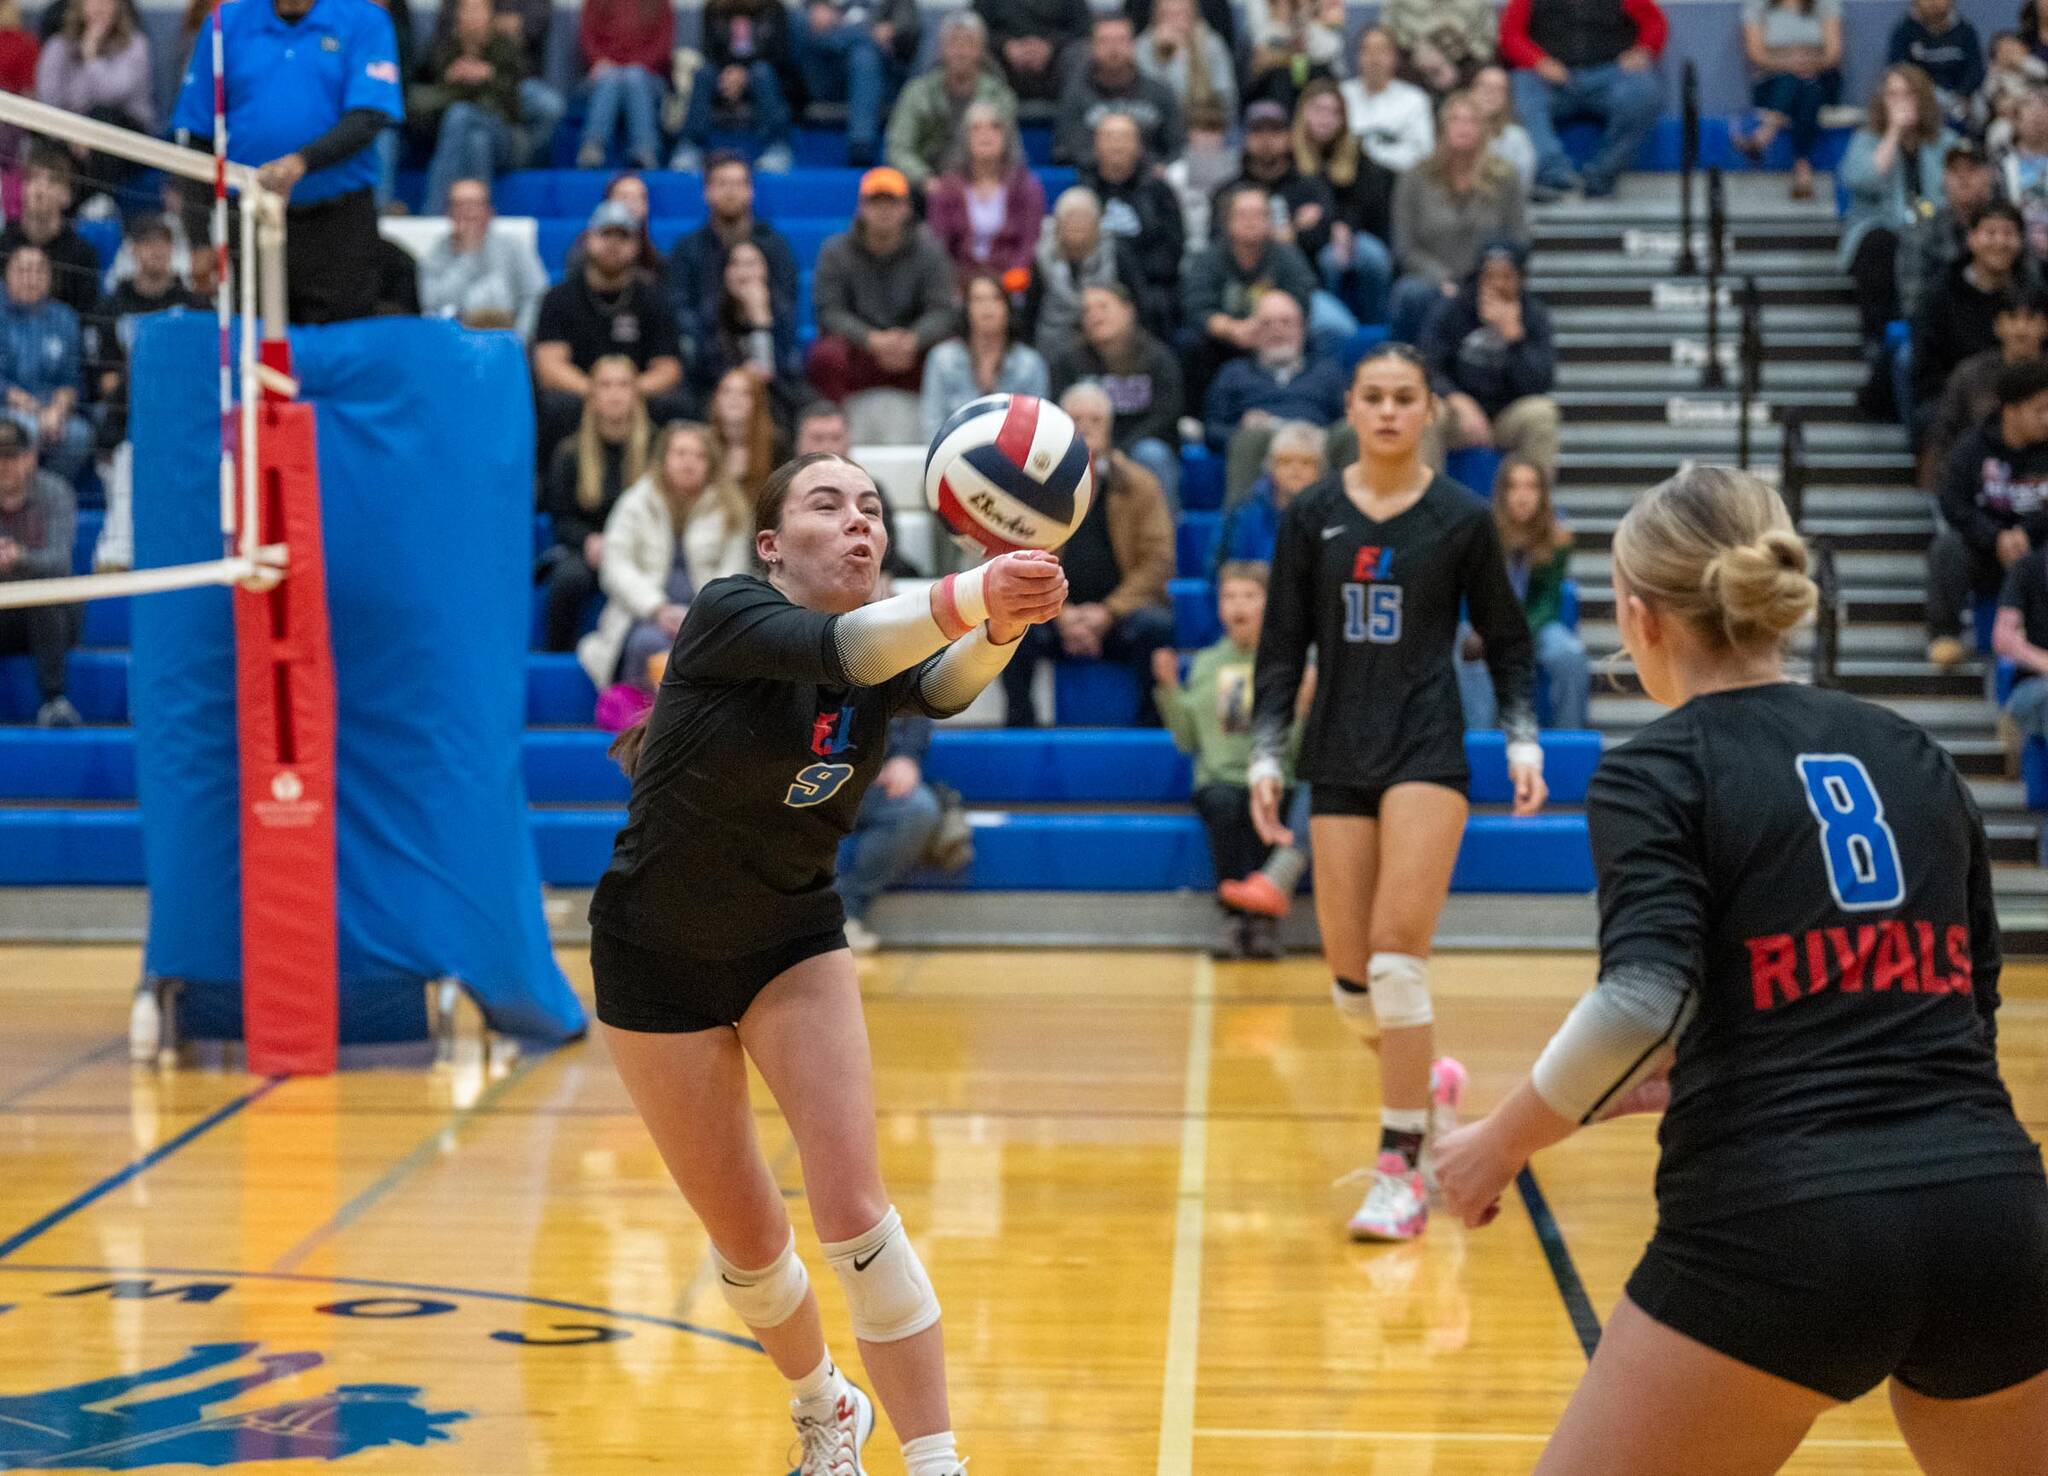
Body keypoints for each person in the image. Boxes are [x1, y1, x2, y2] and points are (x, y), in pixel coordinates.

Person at [1433, 465, 2048, 1476]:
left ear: (1638, 617)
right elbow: (1957, 1001)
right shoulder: (1909, 749)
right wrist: (1744, 1050)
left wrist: (1496, 1146)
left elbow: (1642, 1001)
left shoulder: (1657, 766)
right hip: (1990, 1214)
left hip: (1779, 1229)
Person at [591, 454, 1065, 1476]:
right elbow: (851, 645)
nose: (859, 521)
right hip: (650, 956)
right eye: (826, 504)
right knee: (752, 1249)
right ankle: (823, 1410)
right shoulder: (726, 611)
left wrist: (1006, 618)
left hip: (787, 939)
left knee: (854, 1212)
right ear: (771, 546)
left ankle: (935, 1462)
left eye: (870, 509)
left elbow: (939, 681)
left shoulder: (886, 646)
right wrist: (973, 591)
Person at [1247, 341, 1545, 1242]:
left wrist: (1522, 739)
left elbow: (1508, 637)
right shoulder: (1313, 515)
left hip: (1427, 750)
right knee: (1351, 990)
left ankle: (1400, 1171)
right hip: (1337, 749)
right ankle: (1429, 1086)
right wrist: (1267, 751)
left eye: (1402, 397)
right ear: (1351, 407)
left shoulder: (1460, 517)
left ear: (1428, 411)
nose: (1385, 411)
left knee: (1394, 961)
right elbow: (1279, 647)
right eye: (1371, 397)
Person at [170, 0, 402, 327]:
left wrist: (300, 163)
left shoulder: (364, 19)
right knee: (255, 348)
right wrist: (198, 240)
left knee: (341, 350)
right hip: (252, 217)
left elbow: (368, 117)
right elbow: (197, 135)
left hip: (339, 223)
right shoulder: (224, 24)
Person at [1155, 561, 1310, 960]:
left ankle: (1262, 922)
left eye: (1249, 596)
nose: (1238, 605)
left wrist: (1305, 708)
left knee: (1268, 804)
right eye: (1229, 596)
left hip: (1277, 776)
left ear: (1268, 604)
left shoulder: (1290, 663)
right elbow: (1188, 739)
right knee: (1226, 803)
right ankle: (1234, 917)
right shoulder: (1208, 662)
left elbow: (1301, 748)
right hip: (1220, 779)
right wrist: (1170, 689)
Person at [1000, 382, 1174, 727]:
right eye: (1077, 418)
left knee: (1156, 626)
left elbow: (1159, 561)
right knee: (1010, 624)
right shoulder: (1031, 486)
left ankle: (1149, 728)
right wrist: (1061, 613)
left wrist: (1107, 613)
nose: (1087, 426)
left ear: (1110, 427)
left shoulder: (1141, 484)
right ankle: (1020, 726)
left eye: (1096, 418)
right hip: (1050, 616)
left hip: (1120, 618)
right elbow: (1017, 555)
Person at [575, 421, 753, 697]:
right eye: (680, 453)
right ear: (664, 458)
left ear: (711, 463)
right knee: (646, 643)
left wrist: (699, 612)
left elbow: (735, 570)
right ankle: (641, 724)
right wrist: (657, 607)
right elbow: (616, 565)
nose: (689, 462)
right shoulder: (635, 502)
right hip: (644, 613)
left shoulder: (730, 507)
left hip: (708, 615)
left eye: (699, 455)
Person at [532, 199, 687, 459]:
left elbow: (668, 367)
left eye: (623, 236)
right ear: (588, 240)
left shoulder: (653, 299)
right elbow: (549, 366)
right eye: (606, 234)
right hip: (580, 392)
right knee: (555, 406)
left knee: (676, 406)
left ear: (636, 245)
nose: (613, 244)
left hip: (636, 394)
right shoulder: (559, 298)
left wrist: (625, 391)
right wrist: (600, 392)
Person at [1927, 358, 2048, 670]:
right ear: (2011, 409)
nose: (2047, 419)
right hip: (1987, 553)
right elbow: (1951, 502)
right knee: (1948, 548)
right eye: (2040, 410)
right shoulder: (1973, 446)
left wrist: (2026, 532)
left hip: (2038, 554)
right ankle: (1945, 636)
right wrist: (1995, 536)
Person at [1455, 456, 1587, 729]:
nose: (1523, 496)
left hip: (1536, 626)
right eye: (1514, 487)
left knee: (1570, 654)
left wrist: (1514, 633)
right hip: (1486, 624)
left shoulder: (1558, 537)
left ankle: (1569, 740)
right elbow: (1471, 596)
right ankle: (1479, 740)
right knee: (1467, 647)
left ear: (1542, 493)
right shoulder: (1482, 532)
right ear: (1502, 493)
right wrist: (1491, 631)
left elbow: (1549, 602)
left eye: (1531, 487)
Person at [1389, 91, 1531, 345]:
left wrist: (1486, 280)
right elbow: (1405, 246)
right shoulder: (1414, 177)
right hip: (1431, 279)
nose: (1462, 127)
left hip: (1489, 279)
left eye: (1471, 121)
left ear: (1483, 129)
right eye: (1455, 120)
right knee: (1410, 293)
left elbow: (1518, 238)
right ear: (1442, 128)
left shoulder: (1505, 177)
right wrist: (1442, 279)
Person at [807, 167, 959, 403]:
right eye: (875, 203)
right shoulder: (834, 251)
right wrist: (870, 340)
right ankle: (831, 429)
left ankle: (947, 433)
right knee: (826, 356)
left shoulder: (930, 252)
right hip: (859, 350)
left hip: (913, 352)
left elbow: (942, 310)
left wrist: (914, 339)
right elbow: (829, 311)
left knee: (950, 355)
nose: (884, 210)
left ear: (907, 208)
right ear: (861, 208)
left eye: (892, 202)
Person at [1841, 64, 1955, 358]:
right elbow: (1862, 179)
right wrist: (1893, 132)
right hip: (1881, 231)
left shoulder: (1946, 143)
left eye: (1909, 94)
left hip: (1933, 230)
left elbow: (1955, 194)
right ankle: (1879, 341)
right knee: (1880, 244)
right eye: (1893, 95)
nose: (1901, 102)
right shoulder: (1866, 141)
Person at [1418, 239, 1560, 476]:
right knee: (1428, 411)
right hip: (1459, 414)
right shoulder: (1453, 309)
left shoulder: (1534, 314)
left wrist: (1515, 339)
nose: (1497, 284)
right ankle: (1425, 500)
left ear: (1521, 279)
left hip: (1507, 415)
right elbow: (1427, 367)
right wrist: (1456, 399)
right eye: (1490, 276)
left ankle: (1537, 506)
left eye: (1506, 276)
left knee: (1543, 413)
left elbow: (1541, 383)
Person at [1500, 0, 1667, 201]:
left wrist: (1644, 50)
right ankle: (1553, 175)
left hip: (1609, 75)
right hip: (1550, 78)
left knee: (1645, 91)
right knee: (1520, 87)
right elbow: (1510, 34)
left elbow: (1655, 23)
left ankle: (1601, 177)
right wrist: (1537, 61)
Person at [540, 356, 650, 653]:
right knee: (568, 579)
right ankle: (557, 660)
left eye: (623, 384)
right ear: (593, 394)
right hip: (591, 551)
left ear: (635, 393)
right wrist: (588, 540)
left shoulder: (658, 449)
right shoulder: (569, 453)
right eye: (606, 385)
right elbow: (561, 519)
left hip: (645, 549)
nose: (615, 393)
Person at [1181, 184, 1320, 406]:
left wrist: (1267, 325)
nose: (1251, 221)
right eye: (1243, 215)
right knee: (1189, 343)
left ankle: (1304, 404)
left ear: (1270, 220)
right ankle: (1199, 414)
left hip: (1277, 332)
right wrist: (1231, 329)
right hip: (1225, 339)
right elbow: (1195, 306)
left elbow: (1302, 298)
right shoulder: (1209, 259)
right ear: (1227, 221)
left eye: (1259, 214)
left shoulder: (1286, 256)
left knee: (1325, 334)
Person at [1048, 282, 1184, 505]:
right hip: (1082, 448)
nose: (1095, 315)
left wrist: (1120, 450)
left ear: (1128, 311)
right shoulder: (1067, 362)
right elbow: (1057, 416)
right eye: (1087, 311)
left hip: (1138, 449)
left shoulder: (1158, 359)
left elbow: (1167, 415)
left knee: (1153, 454)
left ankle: (1160, 536)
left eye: (1103, 306)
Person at [1204, 289, 1346, 500]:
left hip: (1318, 447)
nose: (1277, 331)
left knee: (1350, 432)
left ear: (1302, 328)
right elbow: (1212, 431)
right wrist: (1242, 429)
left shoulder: (1327, 371)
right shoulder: (1233, 373)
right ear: (1253, 331)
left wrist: (1307, 435)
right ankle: (1239, 529)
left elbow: (1345, 421)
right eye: (1267, 324)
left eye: (1286, 322)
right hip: (1260, 449)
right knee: (1251, 438)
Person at [667, 153, 800, 366]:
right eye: (721, 183)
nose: (730, 191)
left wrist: (758, 312)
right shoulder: (687, 248)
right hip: (707, 357)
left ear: (751, 191)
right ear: (706, 191)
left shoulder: (774, 246)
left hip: (770, 348)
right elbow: (679, 311)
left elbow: (787, 309)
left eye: (738, 183)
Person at [1910, 201, 2029, 424]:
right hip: (1952, 403)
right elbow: (1927, 370)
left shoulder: (2033, 294)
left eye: (2008, 233)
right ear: (1971, 238)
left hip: (2024, 403)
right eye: (1990, 232)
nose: (2000, 242)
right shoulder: (1942, 293)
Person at [836, 712, 942, 955]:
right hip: (804, 776)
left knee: (918, 809)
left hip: (874, 782)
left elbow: (918, 706)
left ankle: (844, 913)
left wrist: (907, 757)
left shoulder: (889, 675)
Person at [1294, 80, 1398, 327]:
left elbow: (1371, 209)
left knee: (1371, 254)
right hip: (1306, 246)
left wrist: (1345, 229)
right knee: (1331, 259)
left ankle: (1376, 328)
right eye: (1319, 109)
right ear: (1303, 112)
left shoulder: (1358, 157)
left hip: (1353, 239)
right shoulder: (1289, 158)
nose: (1326, 118)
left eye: (1335, 112)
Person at [1923, 288, 2048, 492]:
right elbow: (1942, 436)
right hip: (1976, 490)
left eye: (2031, 318)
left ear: (2045, 325)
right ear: (1997, 325)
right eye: (2012, 317)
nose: (2021, 329)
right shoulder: (1969, 374)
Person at [1021, 186, 1159, 364]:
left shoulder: (1116, 252)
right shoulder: (1042, 256)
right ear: (1057, 225)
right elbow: (1031, 311)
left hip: (1107, 340)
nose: (1077, 224)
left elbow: (1136, 301)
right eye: (1070, 218)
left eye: (1084, 218)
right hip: (1053, 342)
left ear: (1097, 224)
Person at [883, 11, 1016, 196]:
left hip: (983, 184)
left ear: (981, 49)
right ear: (941, 48)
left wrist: (983, 184)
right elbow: (898, 148)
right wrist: (926, 180)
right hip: (927, 186)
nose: (961, 51)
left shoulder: (998, 96)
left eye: (969, 43)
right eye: (954, 43)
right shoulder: (917, 92)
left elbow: (1012, 151)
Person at [0, 419, 78, 727]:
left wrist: (20, 557)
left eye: (10, 456)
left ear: (29, 458)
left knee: (43, 596)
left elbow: (60, 563)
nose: (3, 465)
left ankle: (54, 701)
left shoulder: (56, 493)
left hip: (51, 614)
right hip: (4, 613)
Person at [413, 0, 524, 213]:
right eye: (467, 11)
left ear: (490, 17)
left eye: (479, 11)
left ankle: (433, 211)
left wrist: (488, 76)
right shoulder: (445, 49)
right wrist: (452, 80)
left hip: (503, 131)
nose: (473, 17)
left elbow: (515, 105)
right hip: (459, 136)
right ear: (458, 16)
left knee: (460, 115)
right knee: (476, 141)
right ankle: (478, 213)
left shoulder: (505, 47)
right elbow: (424, 106)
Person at [34, 0, 153, 197]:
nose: (99, 7)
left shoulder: (135, 45)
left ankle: (99, 200)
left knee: (102, 116)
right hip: (70, 134)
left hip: (126, 140)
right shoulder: (58, 46)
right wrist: (74, 132)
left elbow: (110, 95)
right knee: (45, 140)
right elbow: (49, 99)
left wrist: (91, 55)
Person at [923, 102, 1045, 282]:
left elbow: (1029, 243)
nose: (985, 134)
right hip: (959, 281)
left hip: (1011, 281)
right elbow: (939, 245)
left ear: (1007, 136)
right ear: (965, 138)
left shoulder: (1026, 186)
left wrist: (1013, 278)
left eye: (994, 127)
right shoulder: (947, 188)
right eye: (976, 128)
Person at [919, 272, 1048, 441]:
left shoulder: (1030, 363)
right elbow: (932, 423)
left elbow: (1038, 425)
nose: (987, 307)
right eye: (978, 300)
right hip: (952, 457)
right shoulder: (942, 359)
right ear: (966, 308)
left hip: (1014, 459)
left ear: (1008, 307)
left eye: (996, 298)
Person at [1078, 111, 1185, 315]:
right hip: (1092, 284)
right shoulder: (1082, 189)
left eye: (1125, 137)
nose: (1117, 145)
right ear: (1096, 144)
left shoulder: (1159, 192)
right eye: (1109, 137)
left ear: (1139, 145)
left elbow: (1172, 250)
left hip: (1149, 287)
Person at [672, 0, 796, 175]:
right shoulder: (713, 9)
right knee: (702, 73)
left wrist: (743, 73)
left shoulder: (774, 9)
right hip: (724, 73)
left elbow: (779, 55)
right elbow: (708, 51)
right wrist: (731, 73)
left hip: (763, 75)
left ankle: (776, 146)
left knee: (762, 72)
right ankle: (691, 146)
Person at [791, 0, 917, 171]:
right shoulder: (818, 4)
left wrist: (894, 31)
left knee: (863, 56)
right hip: (828, 76)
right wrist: (869, 34)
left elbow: (909, 29)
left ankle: (861, 144)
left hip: (878, 79)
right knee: (801, 23)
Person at [1736, 0, 1843, 202]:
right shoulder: (1757, 5)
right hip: (1772, 82)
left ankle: (1763, 136)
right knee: (1795, 83)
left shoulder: (1825, 4)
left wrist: (1809, 63)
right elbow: (1756, 54)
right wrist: (1789, 63)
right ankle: (1803, 168)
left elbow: (1833, 53)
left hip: (1819, 76)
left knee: (1808, 86)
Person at [689, 240, 809, 420]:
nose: (743, 272)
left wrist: (760, 321)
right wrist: (742, 375)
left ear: (765, 270)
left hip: (772, 395)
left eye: (751, 263)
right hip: (721, 392)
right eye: (735, 264)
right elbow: (707, 368)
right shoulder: (710, 313)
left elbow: (777, 371)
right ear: (725, 272)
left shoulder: (781, 311)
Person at [417, 176, 549, 336]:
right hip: (454, 343)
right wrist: (468, 258)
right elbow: (430, 304)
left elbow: (537, 296)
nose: (468, 213)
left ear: (489, 211)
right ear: (448, 212)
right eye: (460, 205)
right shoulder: (436, 254)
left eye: (475, 205)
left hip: (508, 338)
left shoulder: (514, 247)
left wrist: (518, 339)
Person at [1225, 100, 1341, 279]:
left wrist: (1291, 235)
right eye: (1257, 130)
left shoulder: (1310, 187)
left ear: (1288, 136)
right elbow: (1220, 242)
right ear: (1245, 138)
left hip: (1303, 283)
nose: (1266, 139)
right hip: (1242, 283)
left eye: (1274, 130)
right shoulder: (1229, 191)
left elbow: (1324, 235)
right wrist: (1291, 231)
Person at [0, 246, 89, 480]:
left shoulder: (65, 318)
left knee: (79, 435)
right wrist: (37, 411)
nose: (31, 278)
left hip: (50, 411)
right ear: (7, 275)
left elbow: (71, 379)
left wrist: (57, 411)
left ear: (50, 277)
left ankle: (45, 493)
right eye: (23, 270)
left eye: (39, 271)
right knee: (26, 430)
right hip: (8, 407)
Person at [1054, 13, 1183, 168]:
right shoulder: (1075, 94)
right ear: (1092, 47)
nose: (1113, 48)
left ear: (1133, 45)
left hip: (1149, 183)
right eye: (1105, 41)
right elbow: (1067, 148)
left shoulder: (1160, 92)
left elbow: (1178, 147)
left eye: (1121, 40)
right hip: (1092, 182)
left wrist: (1159, 167)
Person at [1897, 140, 1992, 329]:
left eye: (1972, 169)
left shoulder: (2005, 228)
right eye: (1955, 170)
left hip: (1999, 327)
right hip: (1940, 328)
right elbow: (1912, 297)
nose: (1963, 177)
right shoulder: (1923, 230)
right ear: (1944, 178)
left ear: (1987, 176)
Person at [0, 147, 102, 317]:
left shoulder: (82, 255)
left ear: (67, 195)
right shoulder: (3, 244)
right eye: (33, 178)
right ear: (22, 188)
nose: (40, 189)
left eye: (52, 180)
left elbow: (85, 320)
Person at [1216, 418, 1325, 568]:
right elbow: (1223, 571)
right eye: (1285, 461)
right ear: (1271, 467)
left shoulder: (1333, 513)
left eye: (1306, 462)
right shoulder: (1245, 511)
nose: (1295, 469)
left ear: (1320, 469)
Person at [574, 0, 669, 170]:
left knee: (633, 77)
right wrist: (599, 61)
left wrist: (639, 66)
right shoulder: (595, 3)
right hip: (603, 73)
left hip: (648, 76)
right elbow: (587, 38)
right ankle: (592, 148)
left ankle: (644, 150)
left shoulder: (660, 3)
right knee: (611, 78)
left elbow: (662, 46)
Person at [1341, 27, 1436, 173]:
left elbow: (1424, 152)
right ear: (1358, 56)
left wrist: (1374, 157)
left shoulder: (1414, 99)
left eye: (1382, 51)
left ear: (1395, 58)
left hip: (1397, 179)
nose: (1374, 58)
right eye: (1367, 50)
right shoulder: (1341, 94)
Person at [1886, 0, 1984, 138]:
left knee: (1980, 108)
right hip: (1922, 98)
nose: (1932, 2)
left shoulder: (1966, 30)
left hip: (1960, 97)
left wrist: (1962, 95)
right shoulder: (1904, 31)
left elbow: (1975, 70)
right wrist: (1925, 96)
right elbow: (1898, 71)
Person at [1137, 0, 1236, 125]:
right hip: (1158, 124)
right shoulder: (1142, 46)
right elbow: (1149, 98)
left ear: (1194, 16)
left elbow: (1227, 99)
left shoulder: (1212, 44)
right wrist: (1171, 58)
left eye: (1181, 14)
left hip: (1205, 125)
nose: (1175, 22)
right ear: (1155, 18)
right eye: (1167, 15)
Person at [974, 0, 1088, 103]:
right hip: (1003, 59)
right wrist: (1005, 45)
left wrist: (1050, 46)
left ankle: (1075, 111)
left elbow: (1082, 29)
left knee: (1079, 52)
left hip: (1056, 61)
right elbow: (977, 26)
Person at [1242, 0, 1343, 114]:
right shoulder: (1262, 7)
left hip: (1307, 77)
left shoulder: (1315, 10)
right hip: (1269, 86)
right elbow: (1262, 58)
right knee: (1281, 76)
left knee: (1318, 73)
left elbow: (1329, 51)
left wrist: (1304, 19)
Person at [1383, 0, 1495, 96]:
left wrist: (1452, 60)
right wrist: (1420, 53)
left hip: (1464, 69)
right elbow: (1386, 38)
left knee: (1489, 75)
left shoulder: (1477, 3)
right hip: (1413, 66)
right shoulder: (1400, 3)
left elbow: (1486, 44)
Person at [708, 365, 782, 507]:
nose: (734, 398)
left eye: (744, 393)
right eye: (727, 391)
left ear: (758, 401)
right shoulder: (704, 444)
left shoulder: (776, 445)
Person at [1472, 63, 1538, 189]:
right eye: (1484, 86)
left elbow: (1522, 186)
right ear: (1471, 90)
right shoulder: (1454, 131)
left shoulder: (1517, 138)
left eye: (1499, 89)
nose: (1490, 93)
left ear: (1507, 98)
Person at [2002, 91, 2048, 260]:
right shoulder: (2002, 161)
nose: (2038, 117)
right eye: (2029, 108)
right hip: (2019, 247)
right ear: (2016, 121)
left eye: (2044, 110)